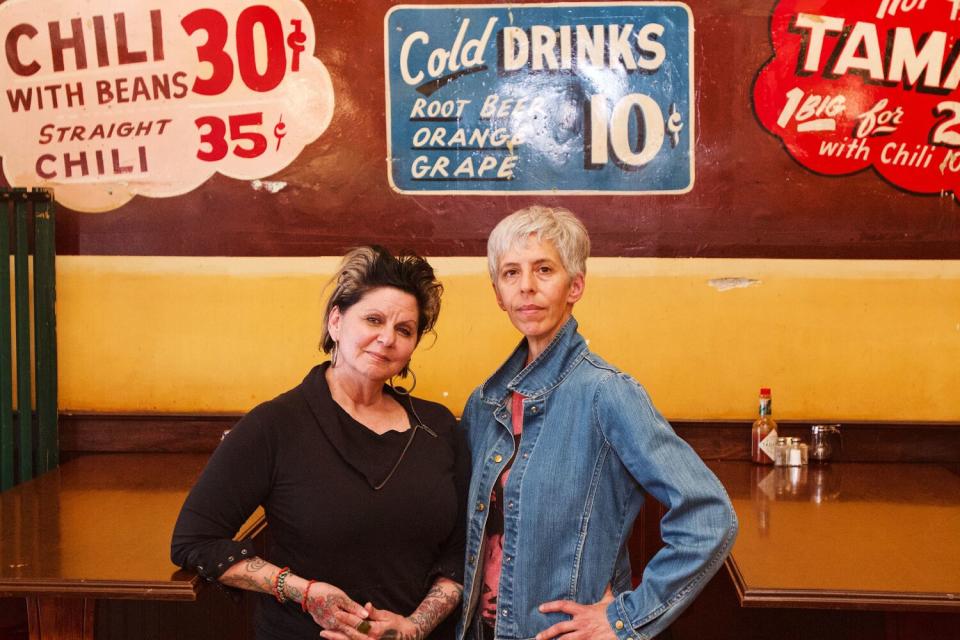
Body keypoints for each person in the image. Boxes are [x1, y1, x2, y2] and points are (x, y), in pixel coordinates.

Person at [457, 207, 738, 640]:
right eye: (511, 273)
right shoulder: (483, 404)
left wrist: (624, 618)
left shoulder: (608, 393)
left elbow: (709, 518)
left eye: (544, 269)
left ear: (576, 286)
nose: (526, 286)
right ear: (497, 292)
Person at [171, 246, 469, 640]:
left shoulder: (438, 427)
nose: (386, 339)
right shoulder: (274, 425)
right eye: (373, 319)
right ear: (336, 322)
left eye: (404, 330)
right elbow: (195, 540)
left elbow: (463, 552)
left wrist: (413, 628)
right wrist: (305, 592)